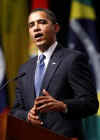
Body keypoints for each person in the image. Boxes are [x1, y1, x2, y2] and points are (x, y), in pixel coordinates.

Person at [10, 8, 99, 139]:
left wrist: (63, 105)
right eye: (31, 25)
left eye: (42, 22)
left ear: (56, 28)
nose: (36, 28)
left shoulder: (72, 59)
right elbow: (16, 110)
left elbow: (91, 103)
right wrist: (28, 116)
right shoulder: (25, 69)